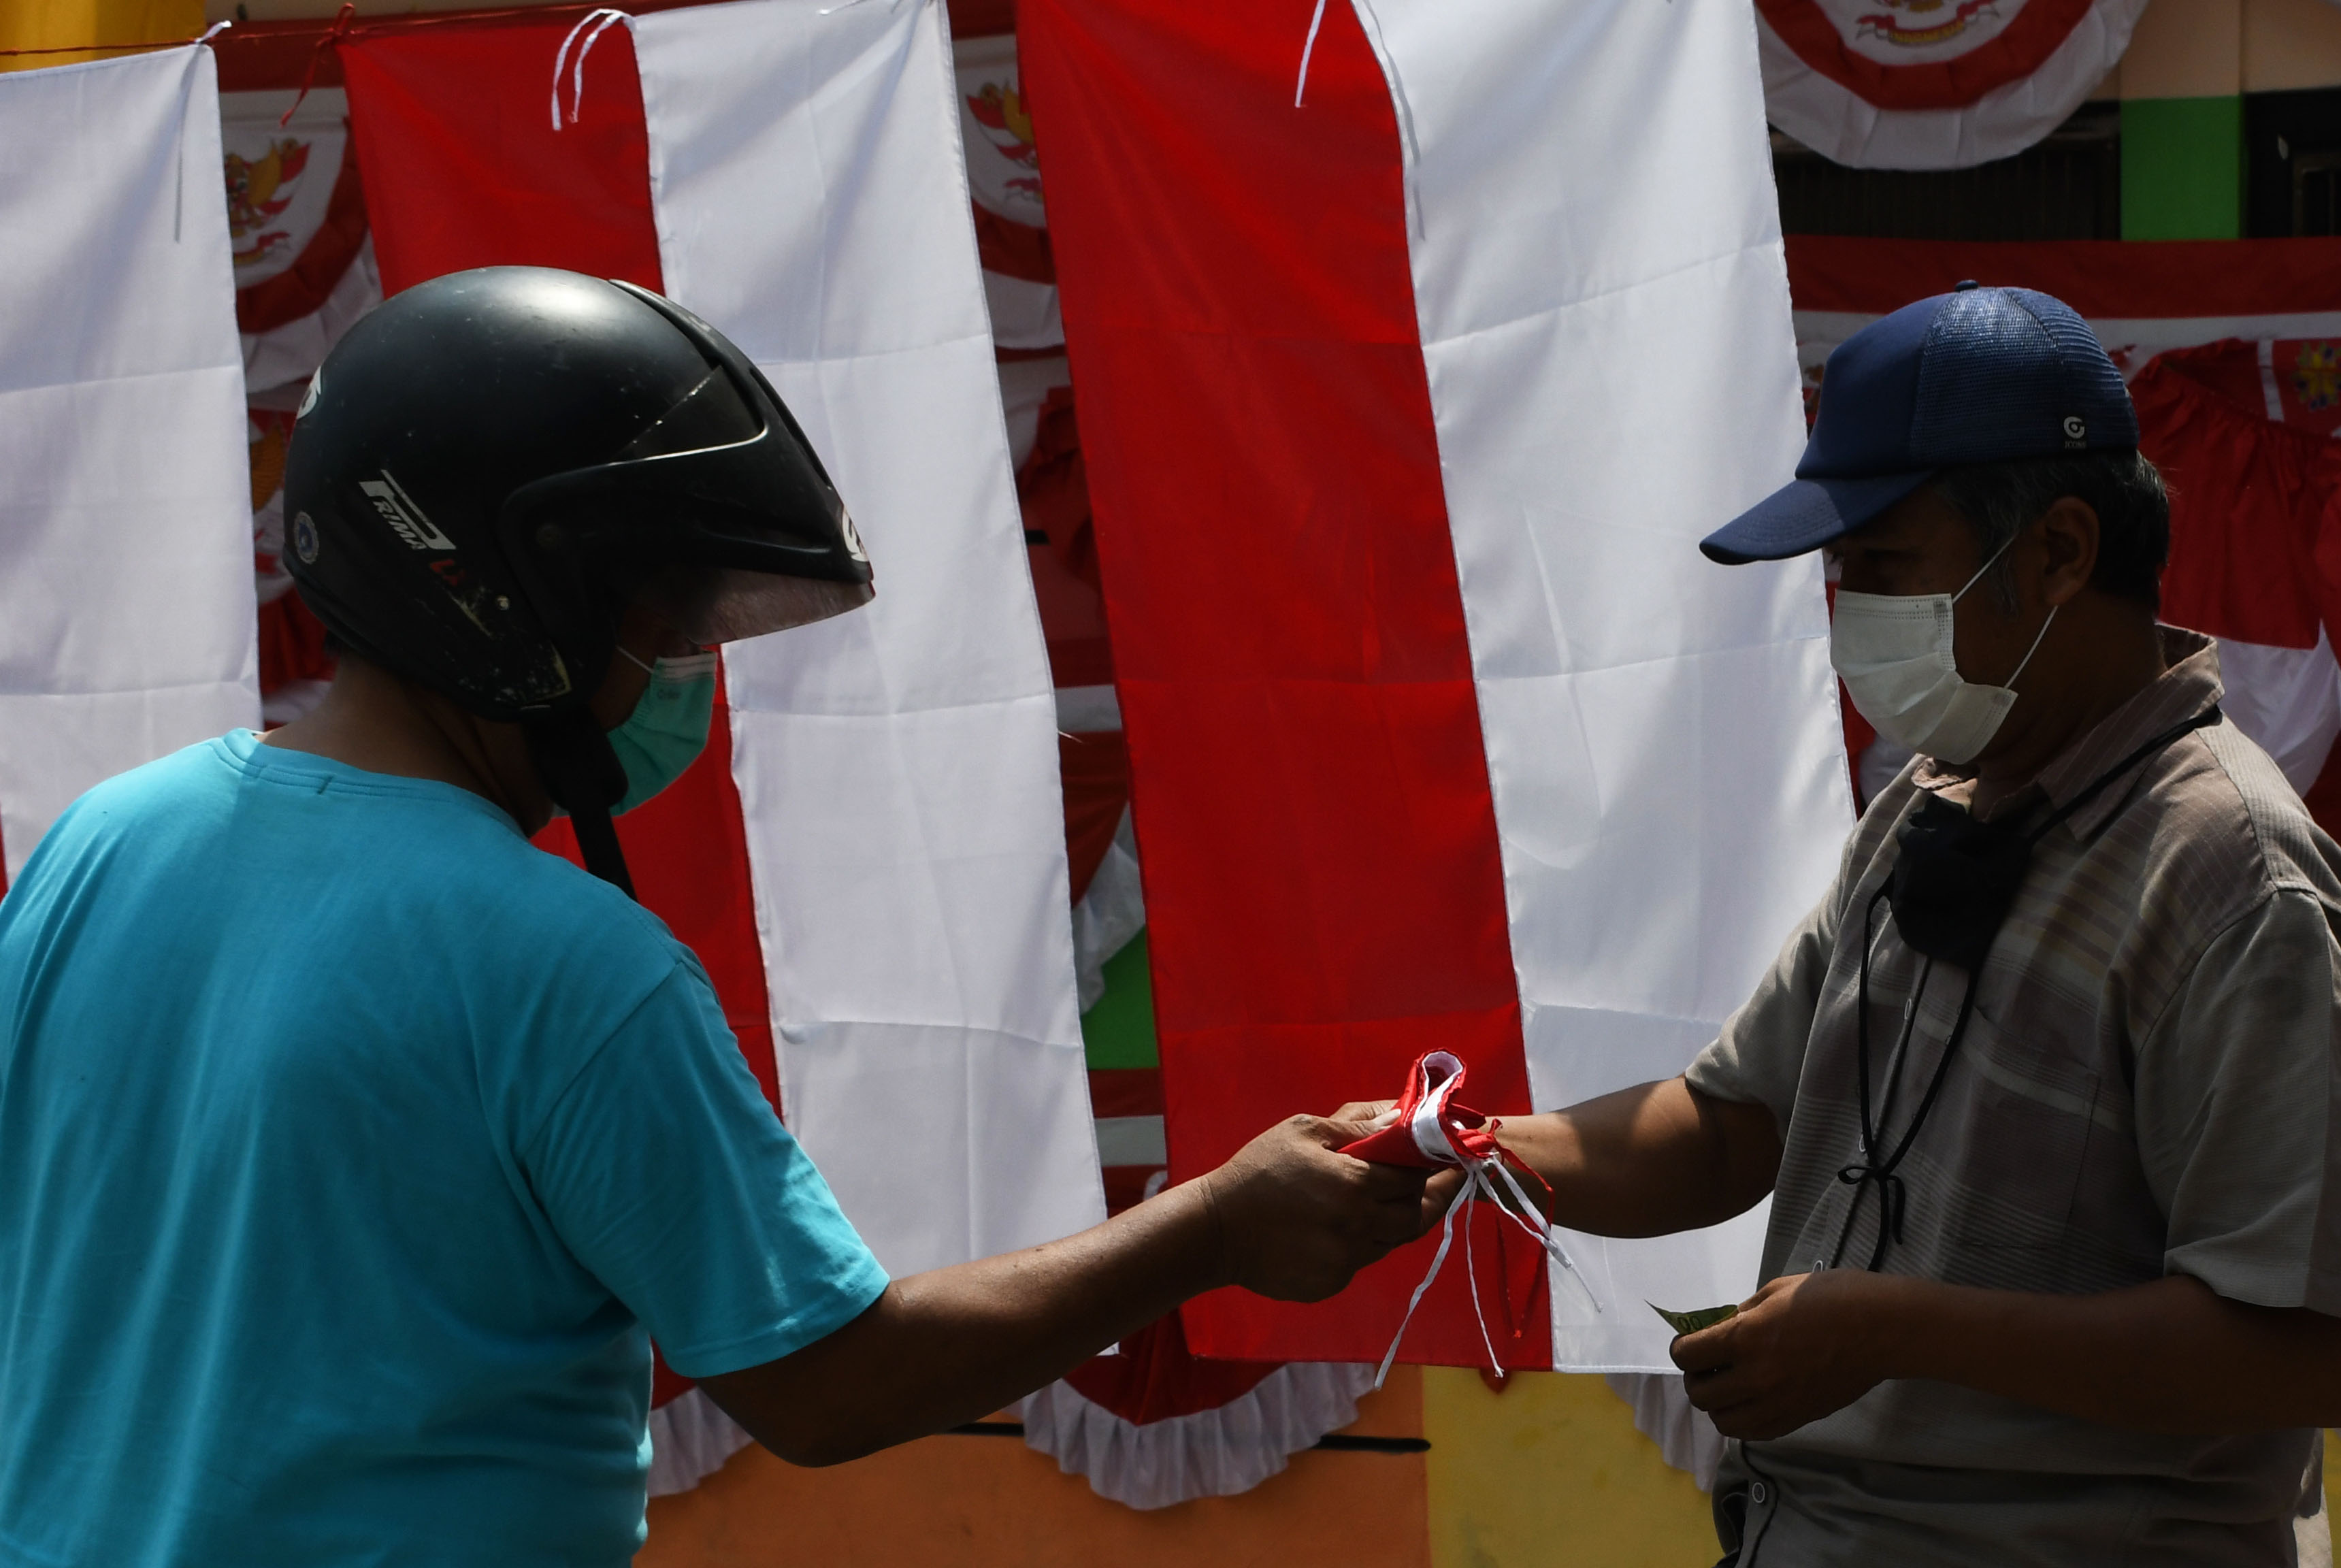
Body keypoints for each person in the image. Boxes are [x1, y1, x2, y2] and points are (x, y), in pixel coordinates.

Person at [0, 267, 1452, 1567]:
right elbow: (826, 1385)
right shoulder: (564, 969)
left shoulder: (105, 840)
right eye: (670, 624)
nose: (691, 671)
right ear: (519, 606)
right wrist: (1215, 1226)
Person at [1483, 284, 2341, 1563]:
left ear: (2057, 552)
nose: (1851, 617)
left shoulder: (2230, 879)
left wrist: (1889, 1330)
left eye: (1883, 570)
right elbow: (1729, 1126)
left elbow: (2292, 1348)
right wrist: (1473, 1151)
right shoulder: (1932, 806)